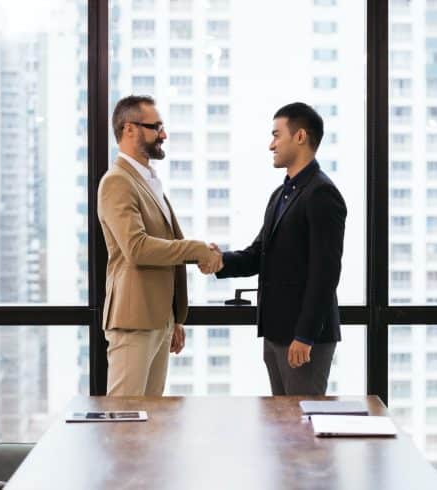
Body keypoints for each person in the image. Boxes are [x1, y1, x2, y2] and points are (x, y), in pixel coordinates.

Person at [206, 102, 346, 395]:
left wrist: (305, 335)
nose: (271, 145)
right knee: (283, 427)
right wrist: (220, 261)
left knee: (301, 430)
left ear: (300, 137)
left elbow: (326, 272)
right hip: (276, 333)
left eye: (276, 135)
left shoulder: (322, 193)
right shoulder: (281, 194)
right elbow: (260, 253)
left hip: (304, 338)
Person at [98, 95, 222, 396]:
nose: (163, 135)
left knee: (150, 422)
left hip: (157, 320)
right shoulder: (117, 182)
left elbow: (164, 245)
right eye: (156, 127)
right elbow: (137, 248)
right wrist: (196, 249)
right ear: (129, 129)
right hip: (133, 321)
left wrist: (172, 318)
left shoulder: (148, 181)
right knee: (124, 423)